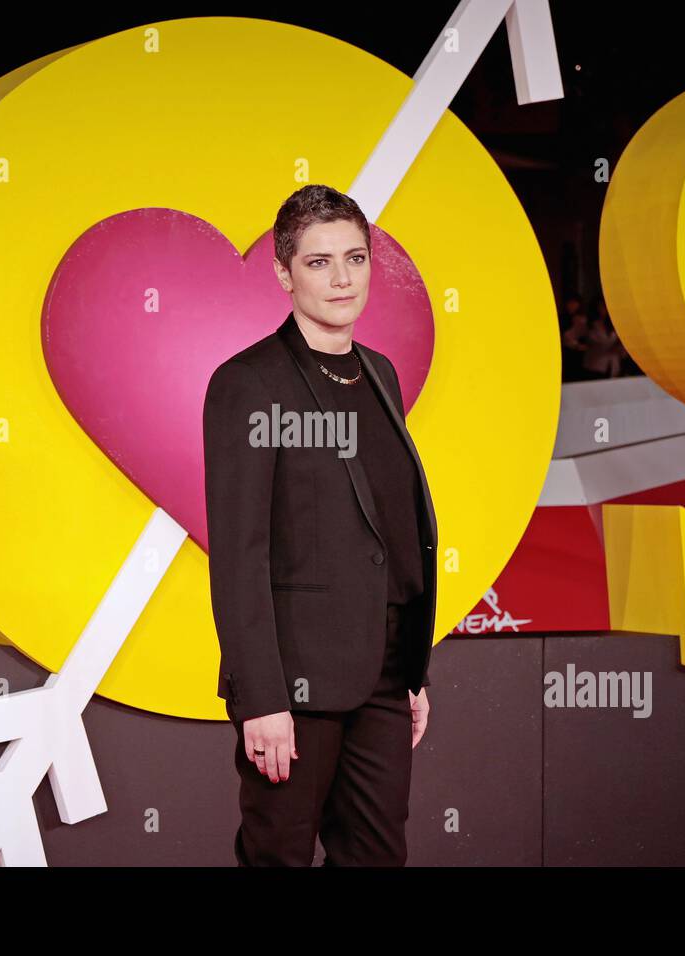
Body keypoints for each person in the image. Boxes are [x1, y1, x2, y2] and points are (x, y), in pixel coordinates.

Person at [202, 184, 438, 867]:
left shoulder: (381, 374)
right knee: (278, 855)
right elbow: (240, 555)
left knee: (376, 856)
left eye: (356, 258)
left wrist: (410, 673)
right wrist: (262, 701)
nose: (342, 277)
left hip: (387, 674)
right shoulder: (249, 383)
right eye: (318, 262)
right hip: (295, 685)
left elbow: (389, 531)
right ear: (283, 273)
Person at [581, 296, 622, 378]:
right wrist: (579, 346)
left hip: (612, 364)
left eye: (605, 306)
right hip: (594, 364)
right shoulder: (588, 323)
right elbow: (568, 337)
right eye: (601, 306)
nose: (603, 309)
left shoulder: (615, 323)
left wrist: (619, 347)